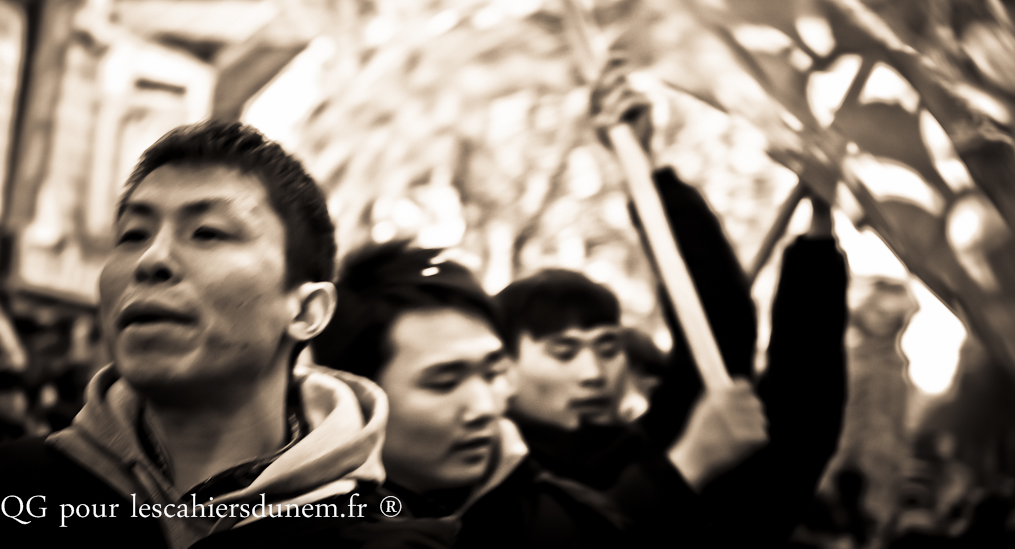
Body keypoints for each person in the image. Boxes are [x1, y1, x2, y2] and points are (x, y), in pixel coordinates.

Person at [496, 62, 851, 548]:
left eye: (607, 347)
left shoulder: (646, 443)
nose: (594, 373)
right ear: (501, 369)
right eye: (564, 351)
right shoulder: (480, 479)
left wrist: (818, 238)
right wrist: (687, 465)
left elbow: (730, 341)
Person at [0, 122, 400, 548]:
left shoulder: (382, 535)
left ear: (306, 310)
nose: (151, 259)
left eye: (207, 232)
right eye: (133, 235)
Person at [311, 240, 628, 549]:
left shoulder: (573, 523)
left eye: (493, 373)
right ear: (359, 393)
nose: (485, 408)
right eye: (445, 382)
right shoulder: (304, 527)